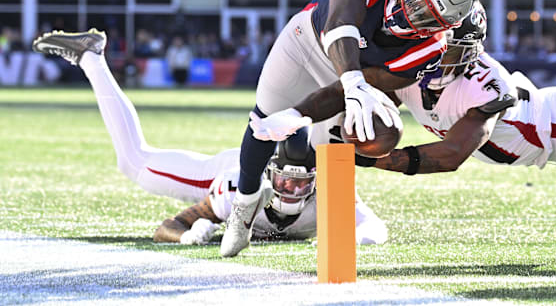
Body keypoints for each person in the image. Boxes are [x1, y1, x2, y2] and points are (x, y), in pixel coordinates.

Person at [256, 4, 556, 186]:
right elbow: (348, 90)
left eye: (458, 46)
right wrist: (295, 115)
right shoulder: (411, 68)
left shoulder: (487, 84)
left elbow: (454, 154)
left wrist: (373, 161)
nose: (447, 55)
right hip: (551, 153)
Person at [224, 0, 483, 257]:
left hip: (348, 79)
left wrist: (299, 113)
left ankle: (338, 229)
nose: (411, 10)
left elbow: (344, 91)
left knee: (352, 141)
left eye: (426, 14)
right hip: (306, 41)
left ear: (444, 26)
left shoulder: (427, 52)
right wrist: (352, 80)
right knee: (262, 123)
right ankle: (244, 207)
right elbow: (339, 19)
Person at [31, 29, 388, 246]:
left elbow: (373, 226)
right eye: (285, 180)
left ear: (316, 180)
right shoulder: (237, 187)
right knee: (133, 162)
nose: (294, 190)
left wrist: (356, 237)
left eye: (301, 183)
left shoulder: (330, 192)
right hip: (219, 171)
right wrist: (189, 234)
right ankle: (91, 57)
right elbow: (173, 224)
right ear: (266, 173)